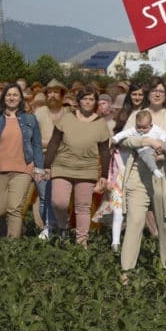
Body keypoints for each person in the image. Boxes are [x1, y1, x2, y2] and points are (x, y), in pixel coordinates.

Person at [114, 78, 166, 275]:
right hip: (138, 175)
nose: (157, 94)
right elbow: (124, 139)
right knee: (134, 222)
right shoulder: (137, 115)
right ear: (148, 94)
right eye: (154, 91)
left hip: (165, 175)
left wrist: (162, 154)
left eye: (161, 91)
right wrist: (145, 140)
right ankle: (127, 272)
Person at [0, 83, 46, 239]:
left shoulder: (30, 119)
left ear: (20, 98)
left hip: (23, 169)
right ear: (4, 98)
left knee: (15, 209)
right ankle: (0, 235)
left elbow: (37, 144)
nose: (12, 98)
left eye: (15, 95)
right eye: (9, 95)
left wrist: (39, 168)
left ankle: (12, 246)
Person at [44, 86, 112, 245]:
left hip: (87, 169)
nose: (88, 102)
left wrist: (104, 175)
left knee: (83, 207)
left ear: (95, 102)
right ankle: (63, 225)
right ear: (79, 101)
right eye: (85, 99)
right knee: (58, 202)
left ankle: (81, 243)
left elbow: (104, 151)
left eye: (91, 99)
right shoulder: (67, 118)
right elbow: (54, 142)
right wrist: (47, 165)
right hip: (63, 166)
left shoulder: (100, 123)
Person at [32, 79, 68, 232]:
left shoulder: (69, 113)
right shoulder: (39, 113)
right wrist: (51, 143)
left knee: (60, 198)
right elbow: (31, 138)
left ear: (62, 95)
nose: (52, 95)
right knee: (44, 197)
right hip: (41, 159)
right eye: (49, 92)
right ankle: (47, 227)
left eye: (56, 92)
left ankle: (61, 228)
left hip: (63, 160)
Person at [115, 110, 166, 179]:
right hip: (144, 150)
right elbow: (124, 133)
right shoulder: (134, 130)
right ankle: (155, 170)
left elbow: (163, 133)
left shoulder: (155, 128)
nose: (141, 130)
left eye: (144, 128)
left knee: (163, 145)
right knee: (148, 158)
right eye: (139, 127)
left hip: (157, 145)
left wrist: (161, 140)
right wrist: (116, 138)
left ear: (150, 125)